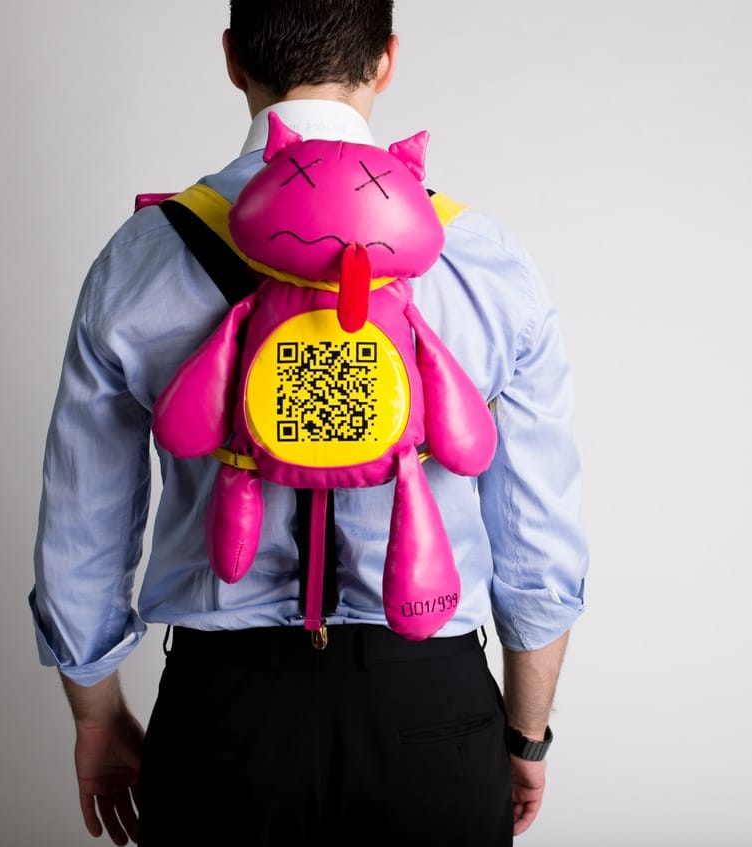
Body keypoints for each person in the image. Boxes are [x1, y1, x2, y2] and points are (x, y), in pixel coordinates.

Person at [29, 2, 588, 845]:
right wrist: (524, 731)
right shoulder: (484, 257)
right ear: (386, 59)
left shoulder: (142, 255)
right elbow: (540, 543)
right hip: (429, 708)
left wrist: (97, 716)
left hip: (222, 719)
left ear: (232, 57)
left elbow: (83, 528)